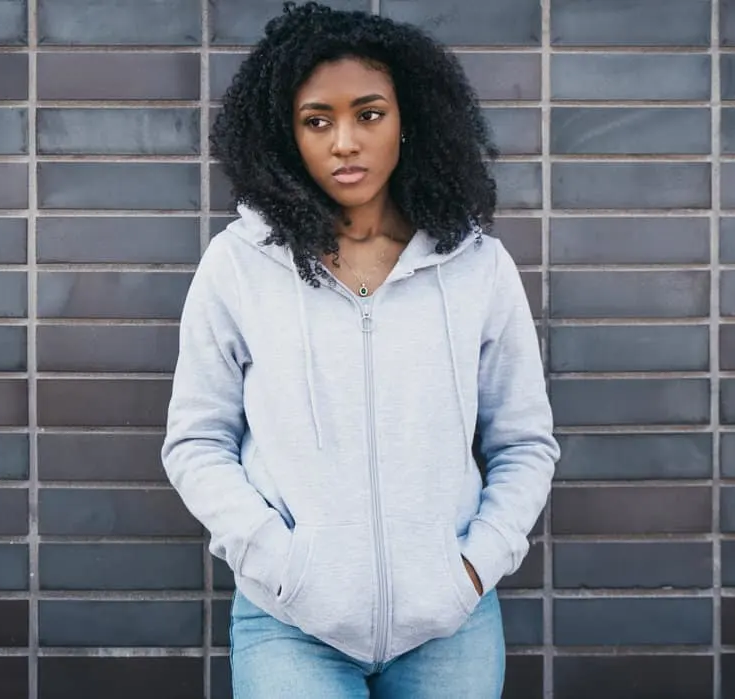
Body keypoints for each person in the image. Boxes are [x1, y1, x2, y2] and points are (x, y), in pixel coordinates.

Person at [161, 3, 559, 696]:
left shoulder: (478, 267)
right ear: (288, 136)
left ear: (409, 122)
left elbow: (524, 442)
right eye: (318, 121)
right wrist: (283, 565)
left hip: (449, 627)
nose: (344, 140)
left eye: (369, 114)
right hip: (290, 624)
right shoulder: (238, 266)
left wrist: (471, 567)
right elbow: (196, 442)